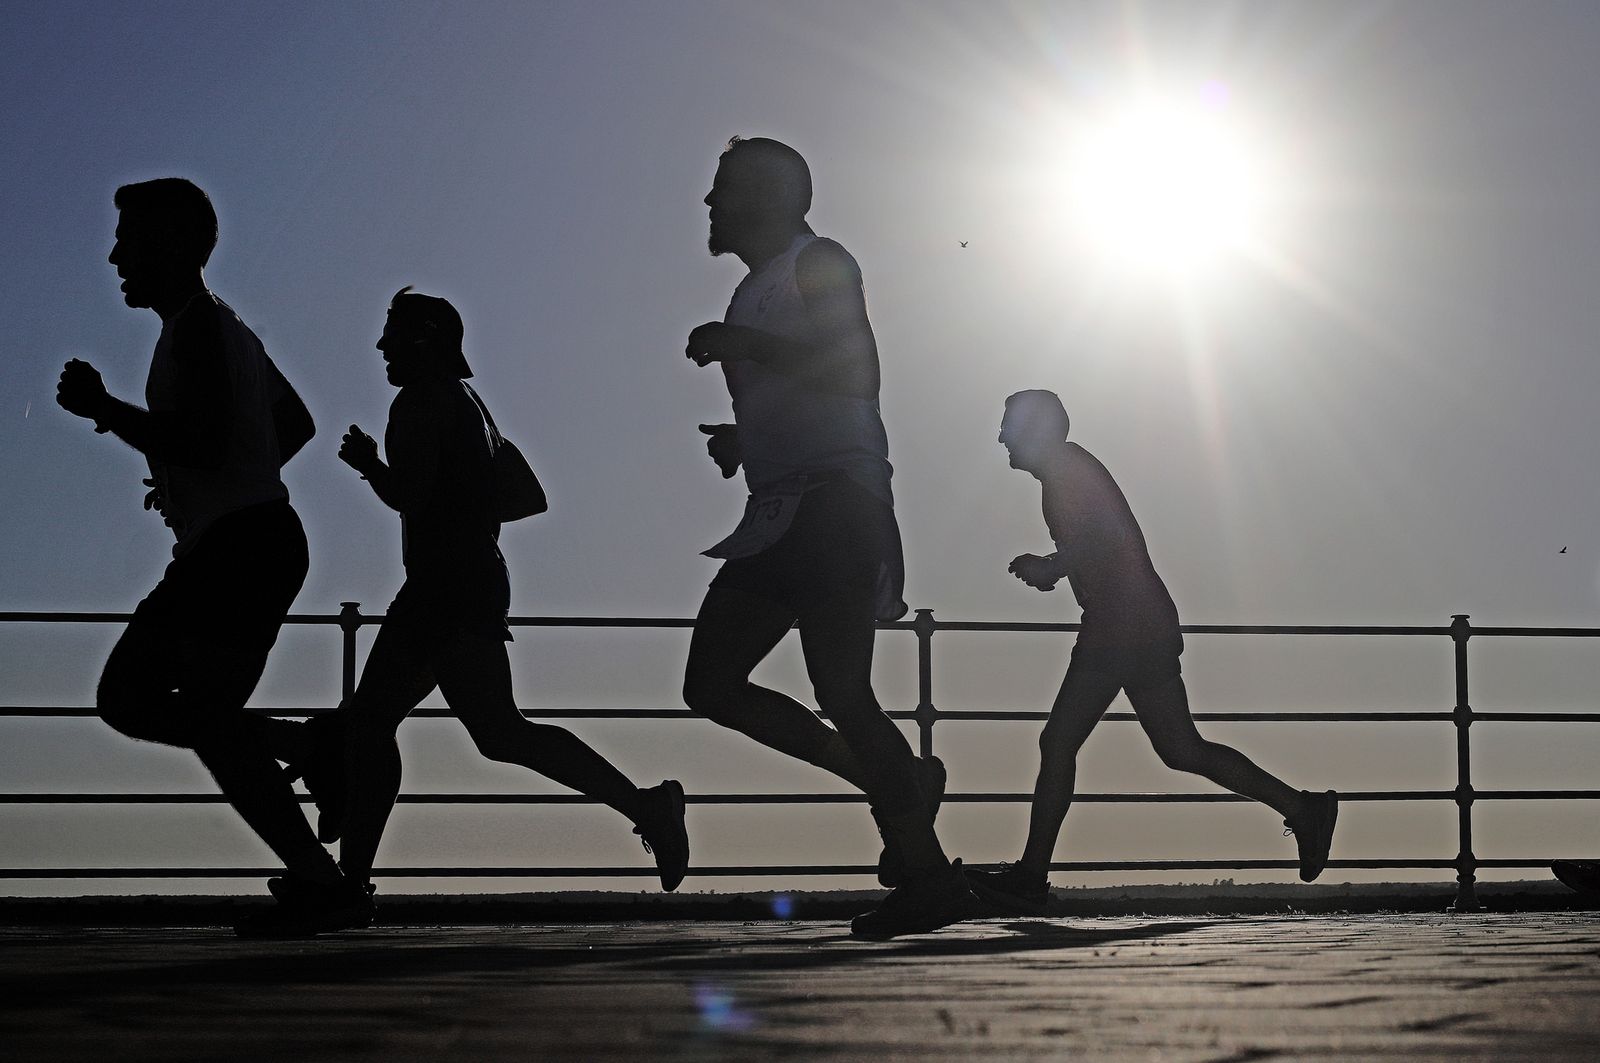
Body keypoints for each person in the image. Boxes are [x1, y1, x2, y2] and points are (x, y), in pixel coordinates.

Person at [54, 177, 368, 936]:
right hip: (255, 536)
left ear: (170, 245)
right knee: (209, 722)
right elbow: (294, 424)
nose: (115, 257)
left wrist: (105, 410)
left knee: (131, 697)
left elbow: (203, 441)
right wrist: (222, 480)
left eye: (129, 242)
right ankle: (322, 862)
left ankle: (310, 759)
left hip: (237, 546)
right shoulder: (224, 327)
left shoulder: (199, 327)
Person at [681, 137, 968, 938]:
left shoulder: (821, 261)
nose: (710, 203)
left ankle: (926, 870)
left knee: (841, 690)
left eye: (725, 188)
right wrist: (745, 438)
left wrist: (748, 348)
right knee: (711, 684)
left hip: (837, 503)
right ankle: (897, 780)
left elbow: (855, 373)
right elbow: (803, 392)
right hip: (779, 511)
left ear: (774, 196)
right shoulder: (750, 290)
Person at [331, 287, 689, 903]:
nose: (382, 345)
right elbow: (528, 496)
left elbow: (412, 497)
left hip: (444, 589)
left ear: (423, 341)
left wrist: (369, 466)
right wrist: (464, 509)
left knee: (393, 727)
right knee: (475, 731)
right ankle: (645, 806)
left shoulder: (419, 401)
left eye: (393, 333)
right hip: (465, 582)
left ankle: (349, 883)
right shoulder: (471, 405)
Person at [967, 390, 1338, 914]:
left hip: (1121, 625)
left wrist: (1053, 566)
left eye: (1009, 425)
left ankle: (1030, 876)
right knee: (1181, 749)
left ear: (1036, 431)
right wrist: (1059, 567)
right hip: (1138, 622)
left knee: (1060, 741)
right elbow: (1103, 541)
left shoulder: (1068, 471)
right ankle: (1301, 808)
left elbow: (1108, 538)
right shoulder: (1064, 474)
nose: (1001, 436)